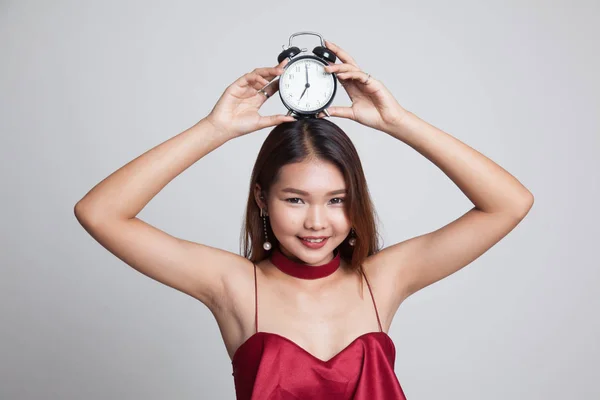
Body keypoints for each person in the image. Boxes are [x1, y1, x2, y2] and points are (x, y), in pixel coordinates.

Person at [74, 39, 534, 399]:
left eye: (337, 200)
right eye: (295, 200)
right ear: (262, 198)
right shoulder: (234, 285)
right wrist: (214, 129)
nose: (318, 222)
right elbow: (99, 213)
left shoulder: (382, 280)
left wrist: (399, 122)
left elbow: (509, 203)